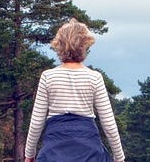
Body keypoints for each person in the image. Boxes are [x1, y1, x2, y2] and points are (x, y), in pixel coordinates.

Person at [24, 19, 125, 162]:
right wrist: (119, 157)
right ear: (84, 46)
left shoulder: (48, 77)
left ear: (58, 46)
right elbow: (108, 123)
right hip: (88, 146)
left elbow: (36, 122)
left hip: (54, 147)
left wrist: (29, 155)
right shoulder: (94, 78)